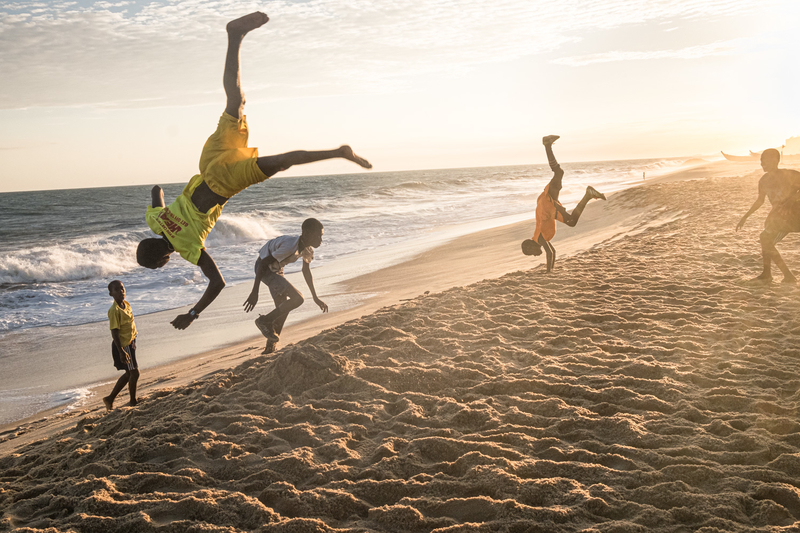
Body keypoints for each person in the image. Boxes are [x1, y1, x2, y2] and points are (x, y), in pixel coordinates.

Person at [137, 12, 371, 330]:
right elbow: (155, 192)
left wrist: (192, 314)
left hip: (225, 183)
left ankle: (337, 152)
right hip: (208, 165)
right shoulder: (156, 221)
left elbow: (217, 283)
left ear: (164, 260)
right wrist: (163, 203)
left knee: (279, 162)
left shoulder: (187, 248)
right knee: (236, 100)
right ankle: (235, 37)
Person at [521, 135, 606, 272]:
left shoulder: (540, 239)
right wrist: (551, 269)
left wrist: (548, 273)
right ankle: (588, 194)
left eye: (531, 253)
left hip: (548, 203)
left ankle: (547, 145)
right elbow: (553, 252)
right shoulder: (542, 240)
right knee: (572, 221)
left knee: (559, 172)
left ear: (532, 247)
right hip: (550, 208)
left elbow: (549, 253)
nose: (534, 255)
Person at [243, 218, 328, 353]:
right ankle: (264, 321)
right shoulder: (289, 245)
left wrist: (315, 297)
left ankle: (270, 347)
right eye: (317, 236)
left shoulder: (308, 250)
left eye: (321, 236)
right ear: (306, 233)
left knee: (283, 308)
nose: (320, 240)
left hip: (276, 270)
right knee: (298, 299)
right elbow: (264, 264)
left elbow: (306, 272)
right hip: (263, 268)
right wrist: (255, 292)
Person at [736, 148, 800, 283]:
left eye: (764, 161)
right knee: (765, 239)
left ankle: (781, 275)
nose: (761, 164)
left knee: (766, 239)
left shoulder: (790, 175)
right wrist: (745, 216)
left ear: (775, 160)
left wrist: (792, 199)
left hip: (794, 216)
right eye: (760, 161)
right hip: (780, 218)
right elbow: (760, 201)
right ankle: (770, 274)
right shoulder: (763, 181)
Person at [103, 280, 139, 410]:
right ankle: (133, 401)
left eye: (122, 289)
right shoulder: (114, 310)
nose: (121, 292)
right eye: (117, 290)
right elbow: (115, 332)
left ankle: (110, 398)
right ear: (110, 294)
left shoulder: (126, 305)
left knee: (130, 373)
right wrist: (121, 352)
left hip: (131, 342)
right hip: (123, 346)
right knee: (134, 373)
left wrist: (134, 338)